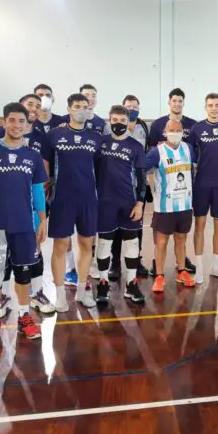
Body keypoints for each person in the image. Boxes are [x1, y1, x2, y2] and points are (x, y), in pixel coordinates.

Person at [0, 102, 47, 347]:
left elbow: (38, 190)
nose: (17, 125)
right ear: (4, 122)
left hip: (24, 226)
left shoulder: (32, 155)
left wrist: (42, 220)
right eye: (12, 120)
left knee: (24, 274)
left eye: (21, 121)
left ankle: (24, 315)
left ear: (27, 125)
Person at [0, 94, 55, 315]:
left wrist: (41, 216)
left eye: (38, 105)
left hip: (30, 208)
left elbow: (41, 176)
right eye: (30, 104)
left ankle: (36, 293)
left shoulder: (40, 138)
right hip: (2, 211)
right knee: (2, 257)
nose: (34, 108)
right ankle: (3, 295)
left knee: (33, 252)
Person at [46, 93, 103, 311]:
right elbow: (46, 165)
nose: (81, 110)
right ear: (69, 108)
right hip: (62, 199)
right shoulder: (55, 135)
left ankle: (81, 290)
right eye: (77, 106)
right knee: (60, 245)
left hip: (88, 199)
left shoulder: (96, 138)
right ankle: (60, 294)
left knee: (86, 245)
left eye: (85, 106)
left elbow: (99, 168)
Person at [94, 105, 147, 303]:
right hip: (104, 203)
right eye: (115, 120)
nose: (119, 124)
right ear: (109, 120)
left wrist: (140, 203)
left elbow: (142, 178)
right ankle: (103, 283)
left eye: (122, 120)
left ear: (128, 121)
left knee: (132, 242)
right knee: (104, 243)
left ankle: (131, 284)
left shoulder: (136, 146)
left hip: (128, 203)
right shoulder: (100, 143)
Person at [148, 88, 198, 275]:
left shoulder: (191, 133)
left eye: (180, 101)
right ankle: (158, 265)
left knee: (181, 237)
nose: (177, 103)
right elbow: (147, 162)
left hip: (184, 196)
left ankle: (182, 265)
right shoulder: (157, 128)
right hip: (165, 195)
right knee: (161, 237)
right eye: (174, 100)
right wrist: (151, 187)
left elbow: (195, 161)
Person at [189, 93, 218, 284]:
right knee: (199, 225)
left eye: (217, 105)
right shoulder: (197, 128)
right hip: (201, 184)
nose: (214, 108)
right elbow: (190, 155)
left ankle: (216, 267)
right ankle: (199, 269)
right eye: (210, 105)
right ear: (205, 107)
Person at [108, 95, 150, 280]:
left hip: (137, 185)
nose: (132, 109)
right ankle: (115, 262)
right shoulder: (110, 131)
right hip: (115, 187)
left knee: (137, 226)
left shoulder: (143, 127)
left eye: (135, 106)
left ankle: (136, 260)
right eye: (128, 106)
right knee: (116, 227)